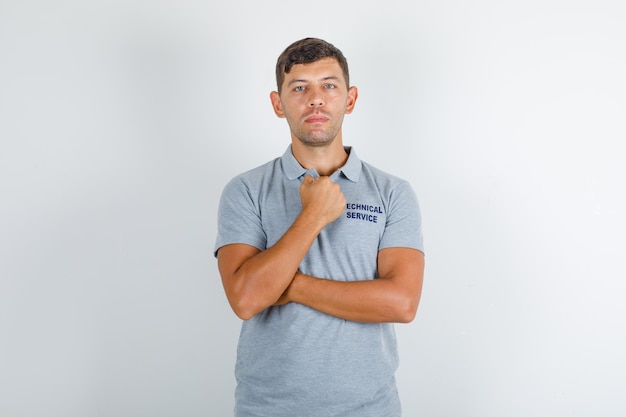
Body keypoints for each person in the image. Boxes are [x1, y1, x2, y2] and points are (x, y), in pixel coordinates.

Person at [214, 37, 425, 417]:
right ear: (278, 104)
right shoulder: (245, 190)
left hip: (369, 409)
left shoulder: (394, 192)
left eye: (329, 85)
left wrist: (286, 286)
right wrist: (313, 215)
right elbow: (245, 300)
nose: (315, 99)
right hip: (267, 409)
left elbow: (402, 303)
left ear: (350, 99)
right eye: (299, 88)